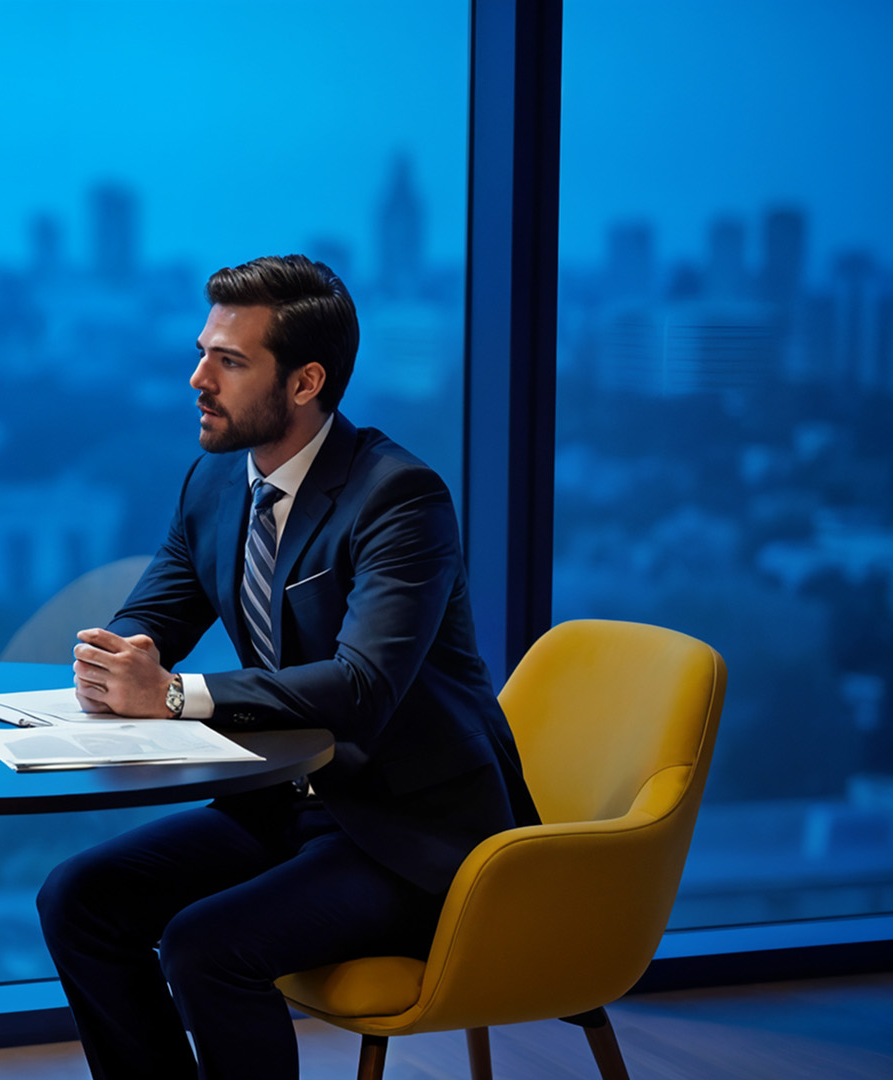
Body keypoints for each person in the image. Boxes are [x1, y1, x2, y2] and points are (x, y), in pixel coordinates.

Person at [38, 255, 540, 1080]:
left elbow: (364, 688)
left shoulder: (400, 498)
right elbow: (152, 617)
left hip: (411, 834)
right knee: (79, 899)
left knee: (207, 946)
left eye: (229, 362)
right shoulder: (212, 483)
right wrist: (118, 657)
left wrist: (169, 693)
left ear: (305, 382)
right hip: (285, 808)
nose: (198, 378)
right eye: (202, 352)